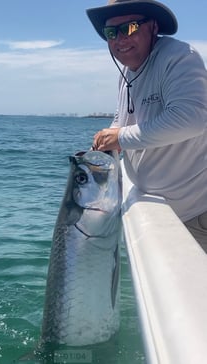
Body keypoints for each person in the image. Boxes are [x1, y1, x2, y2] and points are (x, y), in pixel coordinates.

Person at [86, 0, 207, 252]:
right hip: (156, 210)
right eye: (111, 32)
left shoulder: (180, 57)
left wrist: (120, 138)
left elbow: (191, 119)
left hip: (196, 214)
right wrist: (104, 142)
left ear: (153, 27)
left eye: (129, 28)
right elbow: (124, 120)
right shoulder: (128, 73)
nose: (119, 39)